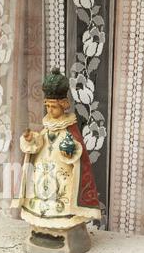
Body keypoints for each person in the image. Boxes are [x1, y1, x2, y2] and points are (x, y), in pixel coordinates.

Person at [12, 68, 101, 232]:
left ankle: (64, 227)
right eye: (48, 106)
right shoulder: (47, 126)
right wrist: (31, 139)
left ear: (64, 105)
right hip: (43, 175)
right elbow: (40, 142)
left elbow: (77, 152)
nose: (50, 110)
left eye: (54, 107)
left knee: (61, 193)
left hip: (62, 176)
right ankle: (43, 226)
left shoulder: (69, 128)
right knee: (41, 194)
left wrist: (70, 151)